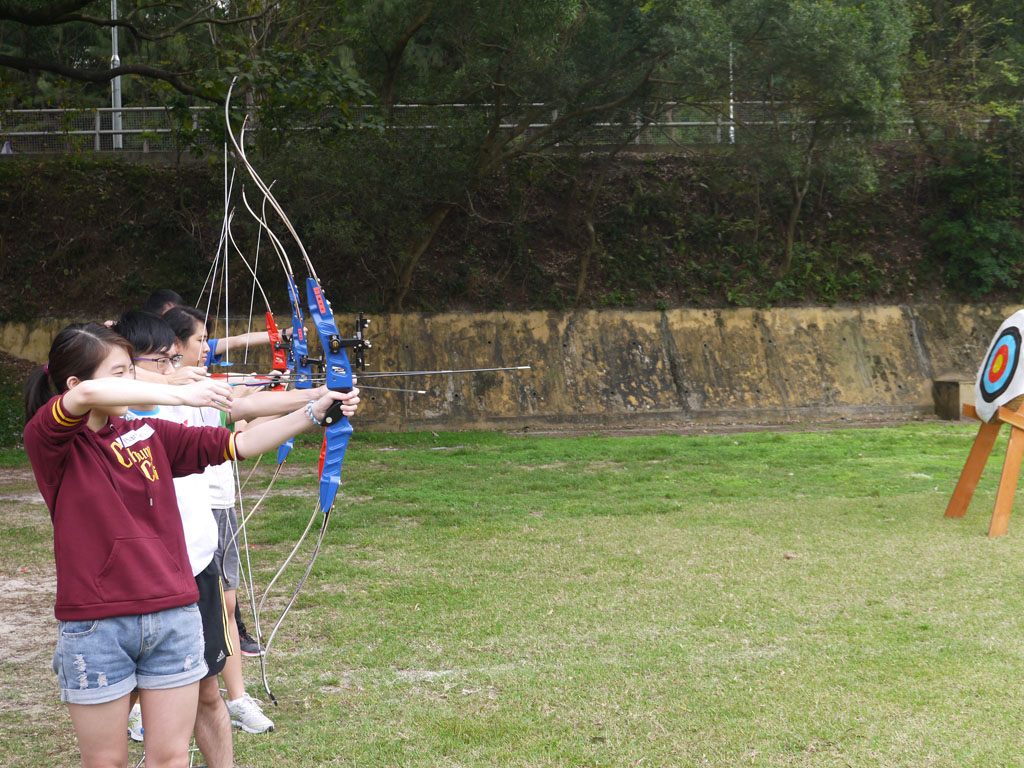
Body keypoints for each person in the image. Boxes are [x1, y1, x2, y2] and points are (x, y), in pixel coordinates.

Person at [24, 322, 359, 768]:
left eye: (131, 372)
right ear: (75, 382)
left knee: (171, 758)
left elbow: (238, 444)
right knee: (106, 761)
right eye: (121, 373)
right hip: (98, 624)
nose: (133, 383)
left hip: (173, 615)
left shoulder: (146, 432)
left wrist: (315, 412)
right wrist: (180, 391)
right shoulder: (51, 439)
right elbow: (83, 401)